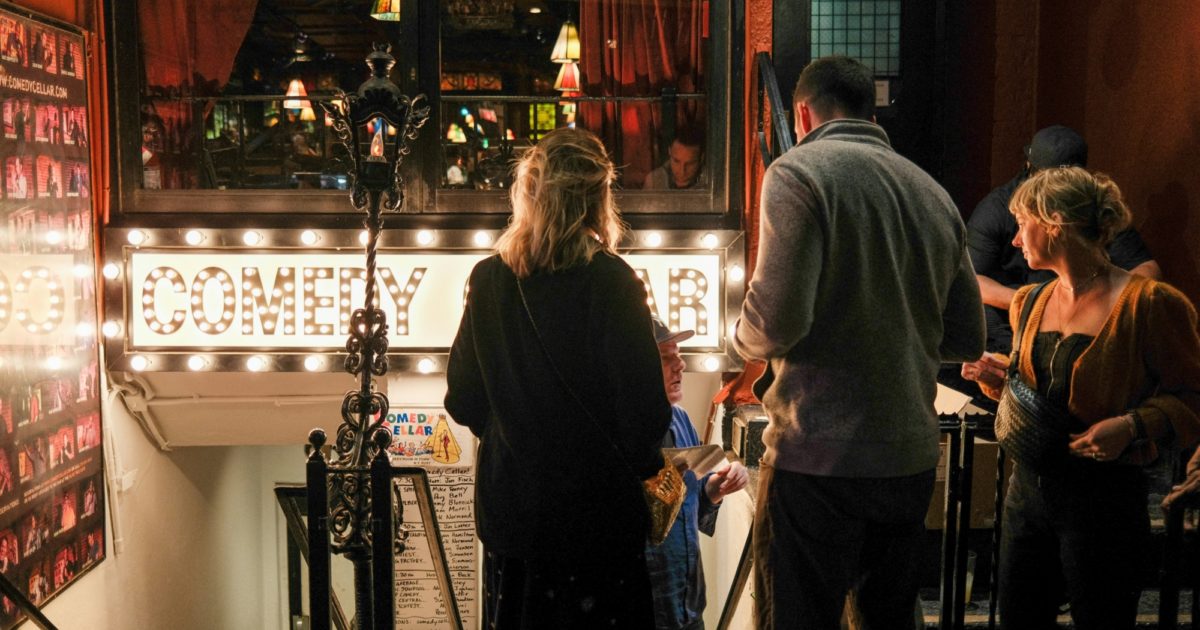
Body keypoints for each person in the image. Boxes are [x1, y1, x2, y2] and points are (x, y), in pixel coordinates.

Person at [732, 55, 985, 629]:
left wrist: (741, 337)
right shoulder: (932, 193)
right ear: (871, 110)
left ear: (802, 113)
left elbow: (775, 323)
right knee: (888, 618)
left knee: (797, 617)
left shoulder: (798, 173)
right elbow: (967, 336)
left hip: (818, 456)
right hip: (908, 459)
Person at [445, 127, 670, 629]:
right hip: (598, 522)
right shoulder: (614, 282)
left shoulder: (490, 279)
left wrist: (515, 430)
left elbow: (463, 398)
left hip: (518, 517)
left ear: (528, 193)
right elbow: (645, 413)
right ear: (597, 199)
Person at [960, 166, 1200, 629]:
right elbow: (1040, 386)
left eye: (1021, 224)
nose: (1014, 240)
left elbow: (1192, 393)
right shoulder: (1028, 302)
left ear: (1055, 223)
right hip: (1027, 494)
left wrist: (1134, 425)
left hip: (1104, 500)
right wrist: (999, 376)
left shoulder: (1148, 303)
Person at [967, 125, 1161, 353]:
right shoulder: (997, 209)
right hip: (1014, 318)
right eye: (1020, 223)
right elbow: (971, 279)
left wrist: (1104, 303)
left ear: (1056, 225)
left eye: (1063, 182)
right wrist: (1036, 304)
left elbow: (1146, 268)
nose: (1017, 241)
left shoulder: (1092, 209)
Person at [646, 318, 748, 630]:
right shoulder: (617, 433)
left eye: (678, 355)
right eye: (666, 358)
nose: (679, 366)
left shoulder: (681, 419)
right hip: (647, 605)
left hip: (689, 603)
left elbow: (694, 505)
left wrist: (715, 489)